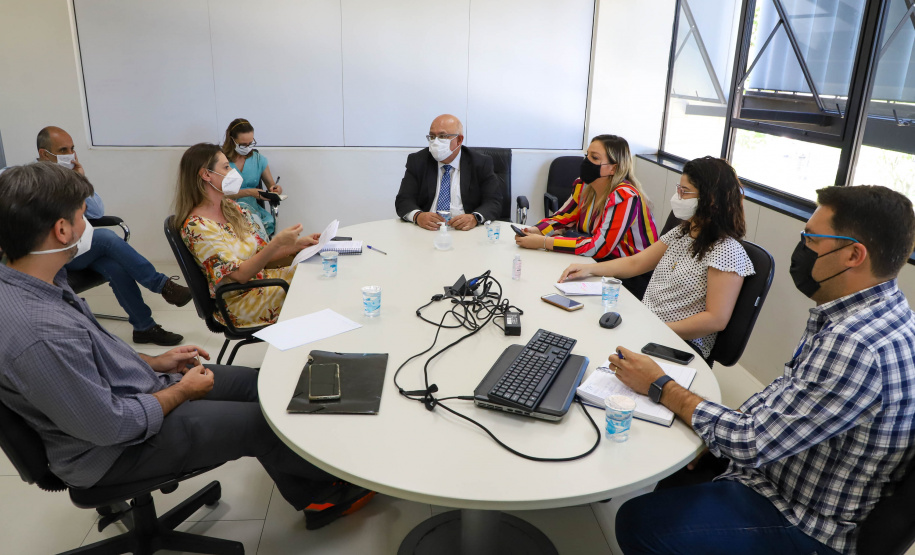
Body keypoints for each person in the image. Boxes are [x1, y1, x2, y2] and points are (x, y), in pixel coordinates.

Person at [0, 162, 375, 530]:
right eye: (84, 216)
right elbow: (110, 426)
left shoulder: (43, 280)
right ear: (62, 229)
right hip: (113, 450)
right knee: (267, 424)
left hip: (137, 395)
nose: (90, 227)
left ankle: (317, 478)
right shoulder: (38, 332)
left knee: (266, 386)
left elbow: (93, 358)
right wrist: (181, 393)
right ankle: (321, 499)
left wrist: (154, 363)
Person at [611, 184, 915, 555]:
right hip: (788, 475)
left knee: (638, 522)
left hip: (807, 522)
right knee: (675, 477)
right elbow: (789, 395)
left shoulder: (856, 345)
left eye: (812, 240)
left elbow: (752, 443)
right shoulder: (869, 315)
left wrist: (658, 384)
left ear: (853, 255)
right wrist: (719, 426)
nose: (802, 248)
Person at [560, 156, 754, 360]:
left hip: (678, 343)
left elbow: (715, 320)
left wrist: (655, 329)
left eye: (684, 192)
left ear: (711, 199)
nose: (677, 196)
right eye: (679, 188)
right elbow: (637, 262)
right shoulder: (684, 231)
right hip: (648, 328)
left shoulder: (727, 251)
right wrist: (589, 269)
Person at [36, 126, 191, 346]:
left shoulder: (70, 176)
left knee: (114, 266)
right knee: (107, 238)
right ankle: (162, 285)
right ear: (44, 154)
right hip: (53, 252)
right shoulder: (32, 180)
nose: (70, 154)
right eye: (63, 150)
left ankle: (144, 327)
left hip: (80, 248)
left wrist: (80, 180)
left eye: (72, 148)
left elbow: (97, 212)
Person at [176, 143, 320, 328]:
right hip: (239, 300)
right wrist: (277, 243)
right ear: (206, 174)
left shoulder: (231, 208)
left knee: (315, 273)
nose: (233, 172)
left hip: (261, 282)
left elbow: (261, 253)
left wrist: (297, 245)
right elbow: (240, 275)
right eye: (226, 167)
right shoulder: (197, 226)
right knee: (313, 290)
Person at [516, 134, 658, 264]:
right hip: (596, 261)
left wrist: (544, 242)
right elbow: (564, 217)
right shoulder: (584, 185)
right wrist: (537, 230)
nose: (586, 161)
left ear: (613, 168)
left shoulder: (625, 197)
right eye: (587, 155)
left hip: (628, 272)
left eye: (594, 158)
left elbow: (599, 247)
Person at [394, 114, 502, 231]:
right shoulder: (418, 161)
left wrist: (474, 218)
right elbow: (403, 200)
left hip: (466, 231)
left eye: (442, 136)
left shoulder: (481, 163)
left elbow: (493, 201)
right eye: (432, 136)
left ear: (459, 140)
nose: (435, 142)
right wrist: (418, 216)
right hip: (427, 230)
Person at [221, 118, 281, 237]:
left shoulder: (258, 159)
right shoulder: (221, 160)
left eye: (250, 143)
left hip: (253, 212)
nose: (248, 147)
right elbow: (217, 193)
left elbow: (271, 186)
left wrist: (276, 189)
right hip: (227, 211)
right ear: (231, 140)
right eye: (243, 144)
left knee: (261, 228)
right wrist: (248, 192)